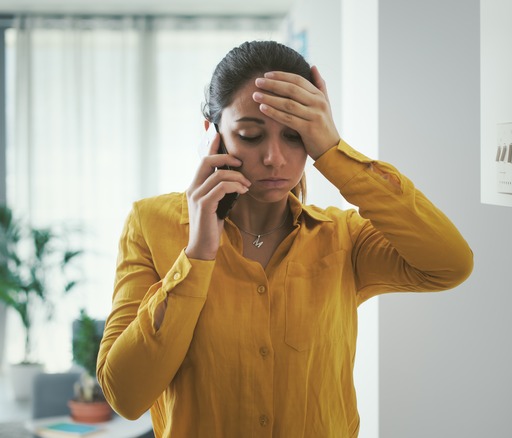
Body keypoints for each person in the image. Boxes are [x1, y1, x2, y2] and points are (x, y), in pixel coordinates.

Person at [96, 40, 472, 438]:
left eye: (295, 136)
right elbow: (125, 395)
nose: (274, 157)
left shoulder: (343, 238)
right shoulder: (150, 225)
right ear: (214, 134)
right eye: (250, 135)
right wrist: (198, 255)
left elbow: (450, 264)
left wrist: (333, 151)